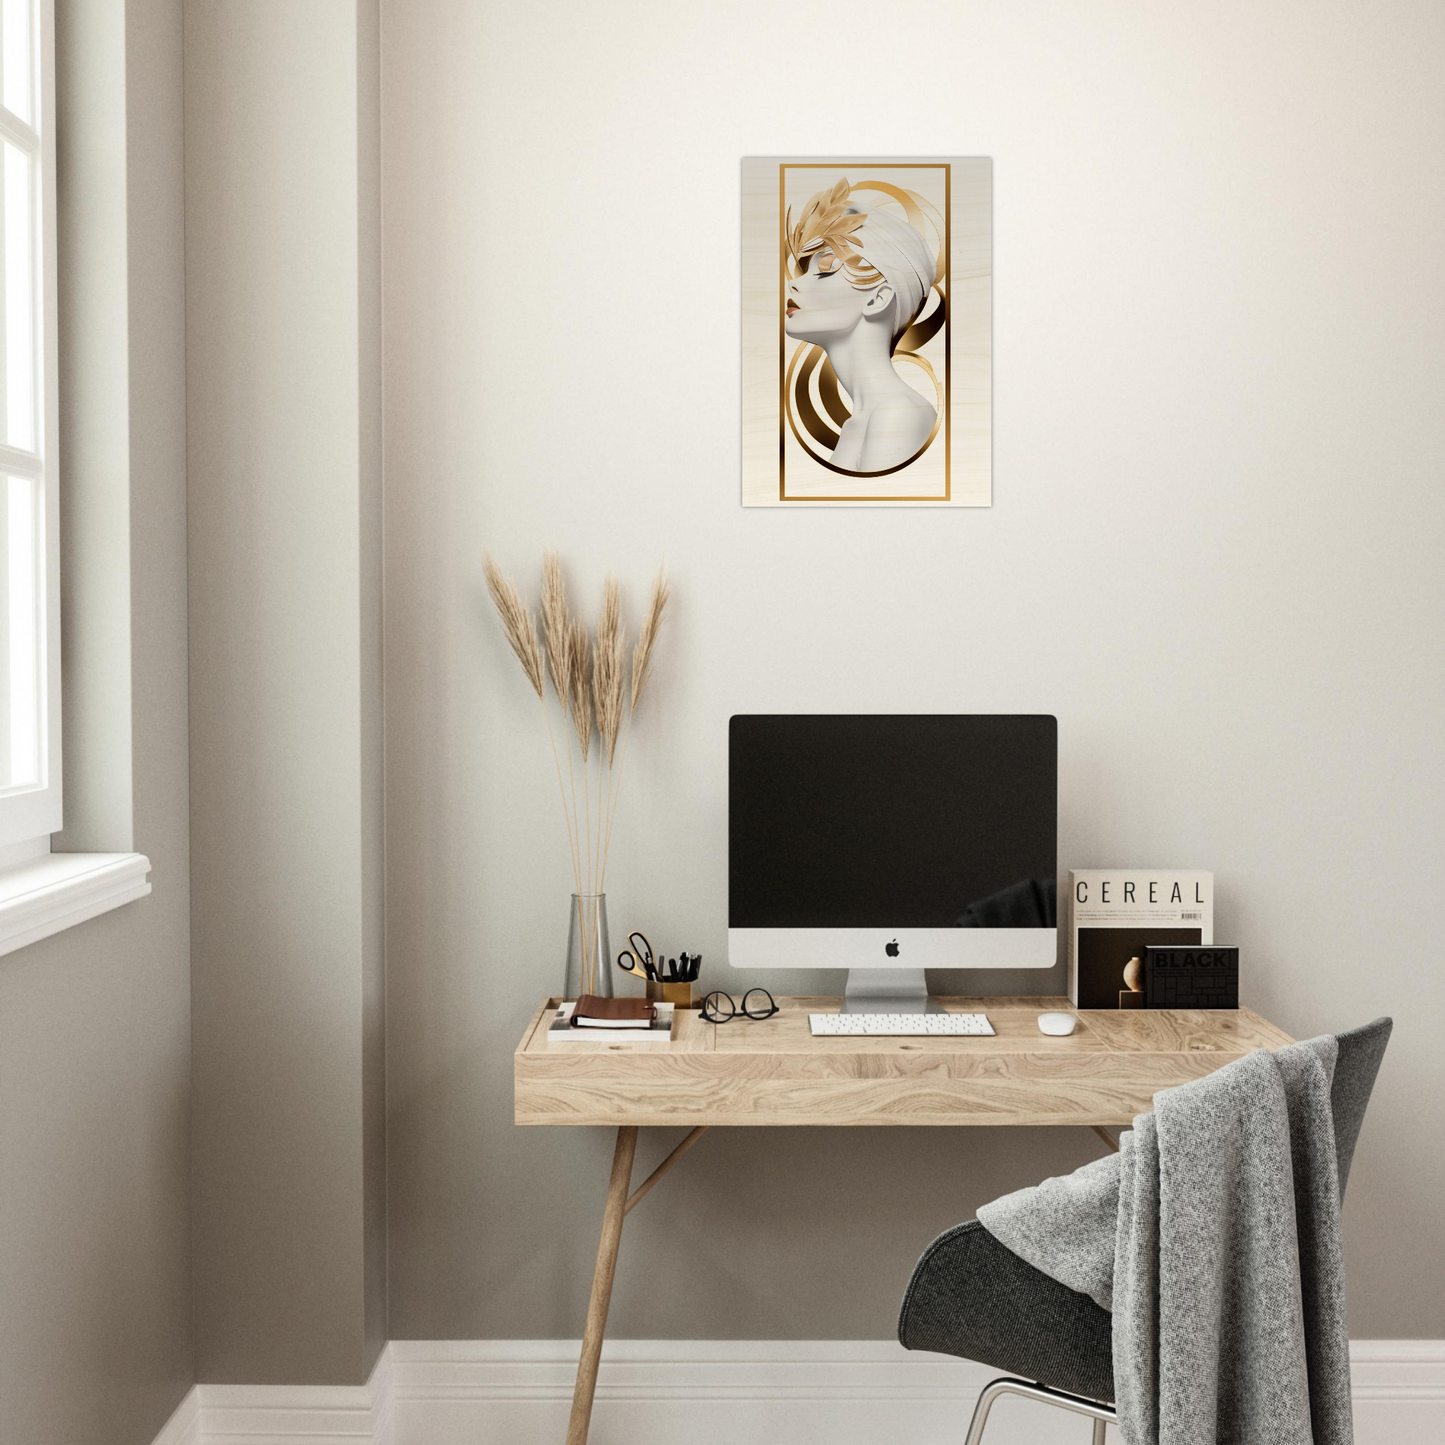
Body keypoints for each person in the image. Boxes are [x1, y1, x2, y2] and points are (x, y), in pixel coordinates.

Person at [785, 178, 938, 472]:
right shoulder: (860, 422)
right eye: (806, 270)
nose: (794, 283)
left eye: (825, 270)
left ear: (877, 299)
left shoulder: (899, 414)